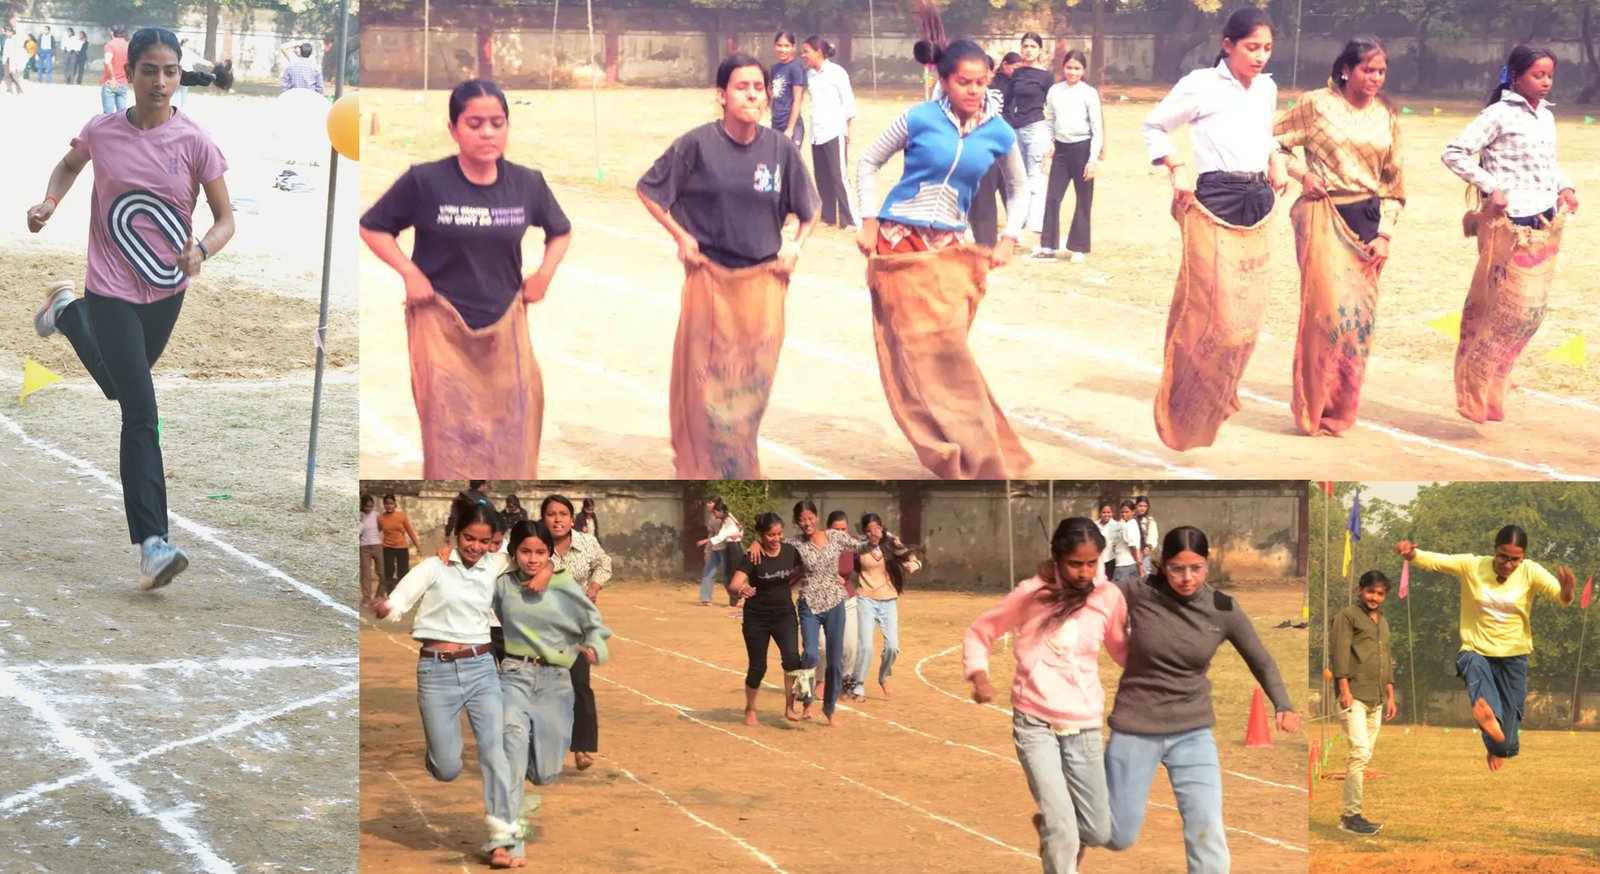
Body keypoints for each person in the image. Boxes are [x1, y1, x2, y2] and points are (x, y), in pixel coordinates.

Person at [27, 26, 233, 590]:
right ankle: (153, 544)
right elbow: (70, 165)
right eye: (150, 70)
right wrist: (48, 202)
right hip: (111, 288)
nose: (161, 82)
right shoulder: (102, 131)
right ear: (130, 72)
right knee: (140, 409)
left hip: (167, 291)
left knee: (122, 386)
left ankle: (67, 313)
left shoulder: (196, 141)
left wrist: (202, 250)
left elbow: (225, 219)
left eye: (170, 71)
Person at [360, 80, 571, 479]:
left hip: (505, 322)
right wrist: (410, 271)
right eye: (474, 124)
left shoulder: (528, 184)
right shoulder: (425, 181)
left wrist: (545, 274)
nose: (487, 133)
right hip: (441, 325)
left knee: (518, 419)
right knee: (451, 432)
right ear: (454, 129)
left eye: (497, 122)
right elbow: (373, 227)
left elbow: (560, 230)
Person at [854, 39, 1033, 480]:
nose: (973, 90)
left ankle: (977, 447)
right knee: (914, 353)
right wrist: (869, 220)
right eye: (963, 82)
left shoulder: (1000, 131)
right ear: (943, 80)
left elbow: (1020, 187)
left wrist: (1011, 236)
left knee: (949, 349)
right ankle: (949, 451)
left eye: (980, 81)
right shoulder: (918, 118)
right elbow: (867, 161)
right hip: (899, 245)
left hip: (950, 250)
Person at [637, 54, 819, 478]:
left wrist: (795, 245)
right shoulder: (697, 145)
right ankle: (706, 472)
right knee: (706, 388)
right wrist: (681, 236)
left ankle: (737, 463)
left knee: (748, 390)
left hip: (762, 285)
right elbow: (649, 190)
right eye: (742, 87)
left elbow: (811, 210)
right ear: (721, 95)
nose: (752, 94)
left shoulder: (780, 149)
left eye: (759, 87)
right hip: (711, 282)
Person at [1102, 526, 1301, 871]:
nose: (1187, 578)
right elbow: (1089, 602)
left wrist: (1283, 704)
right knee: (1119, 834)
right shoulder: (1137, 591)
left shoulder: (1223, 607)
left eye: (1197, 568)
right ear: (1163, 565)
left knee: (1206, 830)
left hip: (1192, 732)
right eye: (1177, 568)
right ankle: (1063, 824)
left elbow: (1262, 660)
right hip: (1136, 726)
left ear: (1208, 565)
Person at [1142, 8, 1288, 452]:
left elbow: (1264, 134)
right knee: (1210, 309)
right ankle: (1182, 395)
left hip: (1258, 197)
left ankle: (1221, 390)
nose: (1260, 57)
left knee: (1245, 320)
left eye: (1266, 48)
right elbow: (1154, 125)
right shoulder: (1200, 84)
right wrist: (1177, 165)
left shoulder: (1266, 87)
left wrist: (1276, 158)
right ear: (1228, 45)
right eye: (1251, 48)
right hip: (1215, 195)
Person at [966, 518, 1126, 874]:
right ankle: (1057, 836)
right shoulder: (1032, 592)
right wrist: (979, 673)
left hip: (1083, 724)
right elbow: (983, 629)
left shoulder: (1109, 597)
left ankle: (1052, 831)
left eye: (1091, 563)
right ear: (1057, 558)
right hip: (1035, 723)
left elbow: (1122, 650)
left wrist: (1162, 666)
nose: (1084, 572)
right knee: (1065, 830)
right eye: (1075, 563)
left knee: (1097, 829)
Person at [371, 494, 518, 864]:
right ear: (456, 534)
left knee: (494, 752)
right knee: (447, 768)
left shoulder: (497, 565)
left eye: (485, 541)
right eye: (470, 538)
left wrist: (546, 569)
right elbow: (401, 600)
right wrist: (387, 608)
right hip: (436, 673)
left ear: (494, 541)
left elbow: (537, 554)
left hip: (482, 668)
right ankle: (438, 754)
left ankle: (503, 839)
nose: (476, 547)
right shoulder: (432, 567)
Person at [1274, 37, 1405, 437]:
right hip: (1321, 212)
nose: (1375, 78)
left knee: (1357, 322)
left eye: (1381, 71)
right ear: (1346, 69)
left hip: (1367, 218)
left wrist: (1385, 233)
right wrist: (1302, 174)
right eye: (1368, 70)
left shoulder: (1387, 115)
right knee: (1326, 314)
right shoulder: (1317, 104)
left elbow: (1394, 183)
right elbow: (1274, 143)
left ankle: (1340, 411)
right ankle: (1312, 409)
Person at [1440, 46, 1577, 424]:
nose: (1546, 81)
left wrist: (1565, 188)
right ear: (1515, 76)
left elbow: (1548, 164)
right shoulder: (1498, 114)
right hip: (1507, 226)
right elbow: (1454, 153)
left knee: (1529, 316)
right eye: (1538, 75)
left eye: (1550, 74)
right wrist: (1490, 187)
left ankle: (1494, 388)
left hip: (1543, 225)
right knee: (1503, 312)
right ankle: (1473, 389)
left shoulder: (1545, 117)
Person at [1395, 526, 1576, 771]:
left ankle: (1494, 741)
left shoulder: (1531, 571)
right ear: (1494, 550)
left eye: (1515, 559)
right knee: (1475, 669)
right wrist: (1411, 555)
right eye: (1503, 556)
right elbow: (1437, 561)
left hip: (1514, 658)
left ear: (1522, 557)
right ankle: (1490, 722)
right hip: (1475, 650)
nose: (1508, 564)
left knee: (1508, 747)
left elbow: (1560, 597)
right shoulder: (1473, 565)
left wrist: (1566, 590)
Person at [492, 519, 611, 868]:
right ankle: (506, 842)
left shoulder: (562, 585)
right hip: (513, 676)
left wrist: (592, 645)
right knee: (511, 754)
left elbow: (592, 622)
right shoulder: (501, 586)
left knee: (545, 773)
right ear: (514, 552)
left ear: (550, 553)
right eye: (525, 551)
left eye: (539, 552)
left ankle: (522, 788)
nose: (531, 558)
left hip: (556, 683)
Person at [749, 500, 865, 727]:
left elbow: (860, 548)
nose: (807, 522)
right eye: (802, 519)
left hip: (835, 603)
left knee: (835, 661)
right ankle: (807, 698)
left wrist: (874, 540)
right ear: (797, 522)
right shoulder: (794, 544)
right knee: (811, 652)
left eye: (810, 517)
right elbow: (772, 546)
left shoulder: (835, 536)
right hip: (809, 604)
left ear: (817, 517)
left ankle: (830, 708)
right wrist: (755, 542)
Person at [541, 494, 612, 771]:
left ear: (572, 519)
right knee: (546, 689)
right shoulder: (533, 544)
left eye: (562, 514)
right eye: (550, 514)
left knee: (580, 683)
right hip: (541, 626)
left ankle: (581, 746)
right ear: (543, 518)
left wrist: (595, 587)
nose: (557, 519)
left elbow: (604, 563)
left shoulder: (586, 542)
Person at [1330, 570, 1396, 836]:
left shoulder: (1383, 621)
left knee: (1364, 756)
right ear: (1360, 590)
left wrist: (1390, 695)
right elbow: (1340, 653)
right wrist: (1343, 689)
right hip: (1354, 696)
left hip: (1377, 699)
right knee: (1358, 753)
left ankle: (1352, 816)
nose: (1375, 597)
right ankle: (1351, 817)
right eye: (1371, 591)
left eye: (1380, 593)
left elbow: (1386, 658)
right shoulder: (1347, 616)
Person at [727, 512, 804, 725]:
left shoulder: (790, 551)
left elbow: (810, 556)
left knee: (792, 660)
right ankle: (750, 708)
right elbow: (733, 585)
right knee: (758, 667)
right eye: (771, 535)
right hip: (756, 619)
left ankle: (789, 707)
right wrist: (742, 589)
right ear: (762, 535)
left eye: (779, 534)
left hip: (784, 615)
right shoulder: (753, 556)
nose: (776, 539)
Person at [1036, 49, 1102, 262]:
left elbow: (1097, 128)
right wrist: (1049, 144)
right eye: (1069, 67)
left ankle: (1078, 248)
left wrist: (1092, 160)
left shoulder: (1089, 93)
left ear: (1083, 70)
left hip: (1082, 149)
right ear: (1063, 68)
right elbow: (1049, 121)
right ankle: (1047, 246)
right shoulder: (1055, 91)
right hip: (1061, 151)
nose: (1072, 72)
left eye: (1077, 68)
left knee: (1083, 199)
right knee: (1053, 197)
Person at [852, 513, 920, 700]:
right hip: (865, 599)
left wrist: (915, 563)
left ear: (881, 527)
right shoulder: (859, 544)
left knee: (892, 647)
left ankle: (883, 676)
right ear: (864, 532)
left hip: (888, 600)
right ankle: (858, 686)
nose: (873, 533)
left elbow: (909, 554)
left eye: (876, 529)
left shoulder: (890, 542)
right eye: (868, 530)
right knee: (865, 647)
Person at [999, 32, 1054, 235]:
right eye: (1025, 46)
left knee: (1035, 176)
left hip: (1036, 127)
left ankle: (1035, 222)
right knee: (1018, 178)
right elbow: (1007, 100)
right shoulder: (1018, 73)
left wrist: (1052, 136)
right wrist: (1008, 121)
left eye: (1032, 46)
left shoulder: (1046, 76)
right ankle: (1017, 222)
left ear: (1040, 50)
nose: (1028, 50)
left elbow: (1052, 104)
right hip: (1017, 129)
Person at [800, 36, 857, 229]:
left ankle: (849, 219)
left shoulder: (837, 73)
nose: (804, 55)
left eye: (807, 51)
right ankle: (829, 217)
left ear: (818, 51)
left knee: (838, 176)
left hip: (834, 130)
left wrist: (848, 130)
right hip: (817, 132)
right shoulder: (809, 75)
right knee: (822, 176)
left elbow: (848, 102)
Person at [969, 52, 1019, 247]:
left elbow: (989, 120)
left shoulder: (994, 95)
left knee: (986, 197)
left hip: (987, 153)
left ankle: (987, 243)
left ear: (990, 73)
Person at [697, 499, 743, 606]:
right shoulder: (715, 519)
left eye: (710, 503)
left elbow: (736, 529)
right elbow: (715, 534)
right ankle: (706, 599)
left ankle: (737, 599)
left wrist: (739, 534)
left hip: (728, 548)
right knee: (709, 572)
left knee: (729, 576)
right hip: (716, 547)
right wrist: (707, 550)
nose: (708, 505)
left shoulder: (728, 518)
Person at [378, 493, 421, 595]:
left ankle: (402, 594)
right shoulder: (381, 518)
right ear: (384, 505)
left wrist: (418, 546)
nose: (389, 506)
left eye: (391, 503)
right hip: (388, 548)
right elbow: (375, 532)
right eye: (387, 504)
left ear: (395, 504)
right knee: (389, 571)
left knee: (403, 572)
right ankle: (390, 594)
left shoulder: (401, 516)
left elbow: (410, 531)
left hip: (402, 547)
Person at [769, 31, 807, 147]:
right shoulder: (775, 68)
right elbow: (773, 94)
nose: (782, 50)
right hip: (776, 124)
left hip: (792, 126)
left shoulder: (795, 69)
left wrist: (790, 129)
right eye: (779, 45)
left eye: (787, 46)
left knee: (791, 163)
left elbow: (797, 100)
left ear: (793, 48)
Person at [359, 494, 384, 606]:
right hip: (364, 547)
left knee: (382, 572)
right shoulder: (360, 515)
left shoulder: (377, 515)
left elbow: (382, 528)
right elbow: (359, 532)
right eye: (366, 506)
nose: (368, 508)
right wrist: (361, 521)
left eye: (370, 506)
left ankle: (379, 597)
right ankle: (367, 599)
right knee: (366, 574)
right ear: (363, 506)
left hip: (377, 546)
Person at [98, 25, 128, 113]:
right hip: (123, 83)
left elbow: (107, 62)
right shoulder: (128, 45)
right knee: (122, 115)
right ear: (124, 33)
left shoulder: (110, 45)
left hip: (110, 83)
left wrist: (112, 78)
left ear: (112, 32)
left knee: (108, 116)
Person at [1110, 500, 1142, 582]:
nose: (1124, 514)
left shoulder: (1128, 525)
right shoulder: (1132, 523)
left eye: (1127, 512)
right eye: (1122, 512)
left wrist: (1138, 562)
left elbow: (1132, 545)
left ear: (1133, 511)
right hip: (1130, 563)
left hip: (1124, 563)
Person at [1132, 496, 1159, 577]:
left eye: (1145, 506)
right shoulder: (1131, 520)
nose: (1142, 508)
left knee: (1144, 574)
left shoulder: (1149, 521)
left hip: (1143, 552)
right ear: (1136, 506)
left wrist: (1149, 546)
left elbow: (1153, 535)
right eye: (1140, 506)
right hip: (1131, 552)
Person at [3, 26, 24, 94]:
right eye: (6, 32)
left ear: (12, 32)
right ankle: (9, 89)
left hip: (14, 60)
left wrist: (17, 62)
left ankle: (19, 90)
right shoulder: (6, 40)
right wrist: (4, 60)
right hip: (7, 59)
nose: (8, 33)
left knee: (14, 76)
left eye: (9, 32)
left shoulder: (15, 39)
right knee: (7, 76)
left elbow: (18, 51)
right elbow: (5, 51)